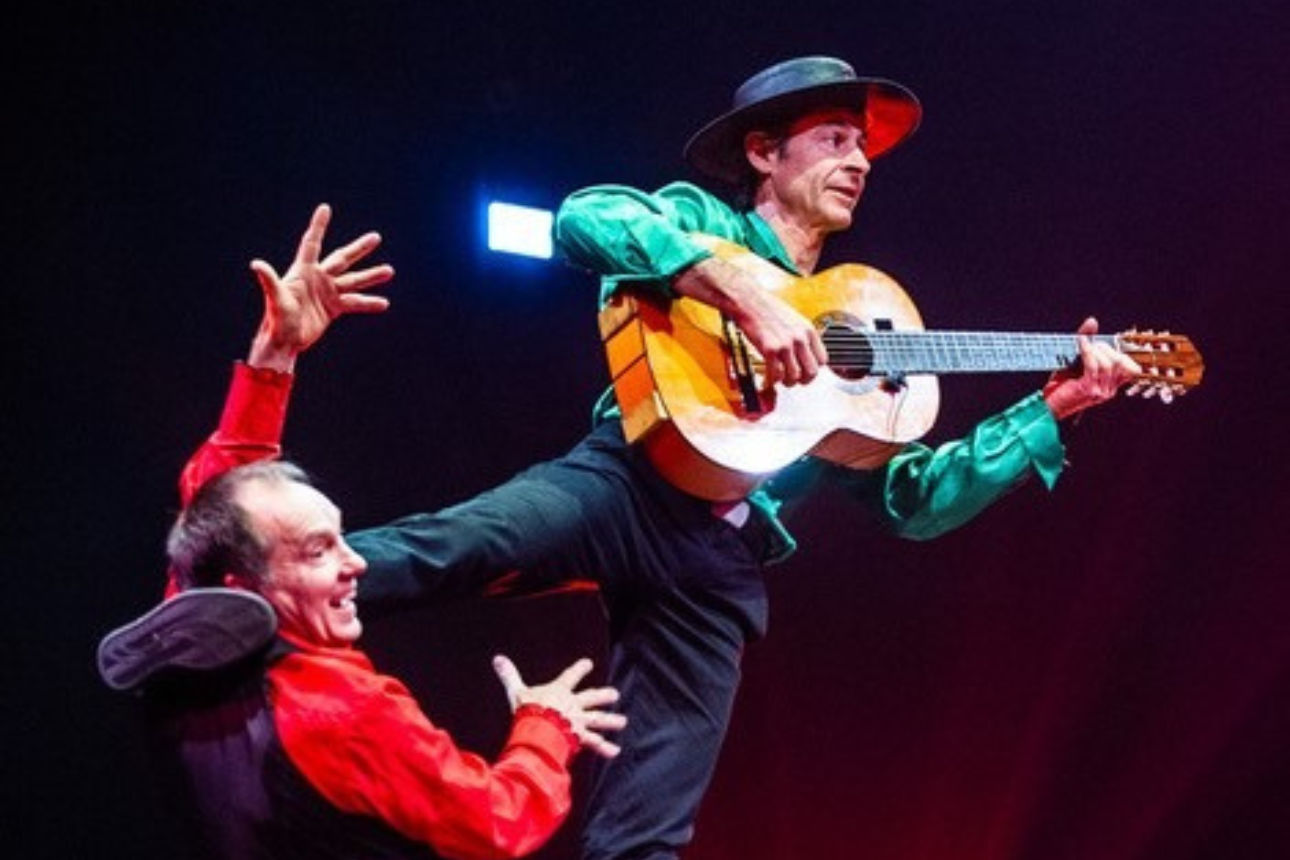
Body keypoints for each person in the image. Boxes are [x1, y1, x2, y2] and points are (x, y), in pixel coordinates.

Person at [343, 56, 1141, 860]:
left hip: (717, 562)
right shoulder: (705, 223)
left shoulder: (861, 316)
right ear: (764, 153)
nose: (859, 162)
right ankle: (244, 598)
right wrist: (740, 292)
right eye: (834, 139)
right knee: (440, 549)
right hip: (626, 482)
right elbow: (585, 217)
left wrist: (1052, 407)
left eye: (863, 148)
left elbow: (916, 501)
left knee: (647, 838)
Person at [100, 204, 626, 860]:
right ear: (246, 584)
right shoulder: (341, 712)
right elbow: (496, 822)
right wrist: (545, 727)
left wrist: (274, 356)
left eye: (341, 536)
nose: (356, 563)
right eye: (318, 550)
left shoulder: (190, 620)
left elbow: (223, 501)